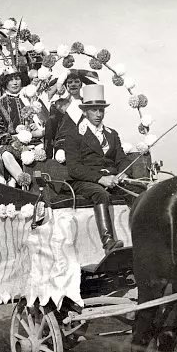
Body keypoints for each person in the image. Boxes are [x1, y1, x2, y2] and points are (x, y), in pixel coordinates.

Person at [65, 84, 135, 255]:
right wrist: (100, 179)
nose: (98, 115)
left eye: (101, 110)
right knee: (100, 194)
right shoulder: (74, 135)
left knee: (137, 190)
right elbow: (74, 168)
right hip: (85, 181)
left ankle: (144, 235)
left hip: (113, 179)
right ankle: (108, 242)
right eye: (93, 110)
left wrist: (123, 173)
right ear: (85, 112)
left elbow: (122, 159)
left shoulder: (112, 134)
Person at [0, 71, 33, 182]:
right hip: (12, 143)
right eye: (10, 80)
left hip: (34, 141)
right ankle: (24, 182)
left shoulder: (31, 100)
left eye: (17, 79)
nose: (14, 83)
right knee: (6, 155)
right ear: (5, 83)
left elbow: (42, 124)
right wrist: (14, 141)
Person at [45, 69, 98, 159]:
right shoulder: (58, 105)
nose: (73, 84)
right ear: (66, 85)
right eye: (70, 82)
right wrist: (48, 155)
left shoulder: (88, 104)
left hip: (85, 143)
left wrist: (80, 75)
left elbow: (96, 85)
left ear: (81, 85)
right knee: (62, 157)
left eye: (77, 82)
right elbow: (50, 129)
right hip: (64, 143)